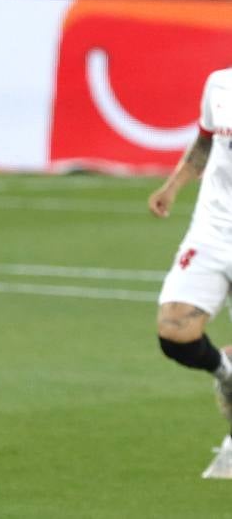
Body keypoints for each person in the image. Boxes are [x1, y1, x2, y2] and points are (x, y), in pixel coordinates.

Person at [148, 67, 232, 478]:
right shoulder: (220, 83)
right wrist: (173, 186)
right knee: (174, 330)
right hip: (212, 230)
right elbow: (205, 141)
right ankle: (226, 373)